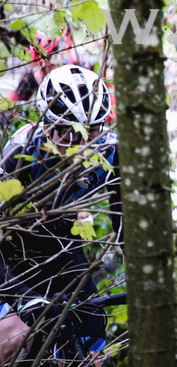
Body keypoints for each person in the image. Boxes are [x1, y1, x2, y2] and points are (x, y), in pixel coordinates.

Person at [0, 63, 119, 361]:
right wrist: (19, 299)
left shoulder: (110, 151)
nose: (80, 144)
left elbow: (125, 223)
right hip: (11, 252)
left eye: (90, 131)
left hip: (63, 246)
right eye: (67, 134)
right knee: (12, 338)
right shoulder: (22, 152)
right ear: (47, 125)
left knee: (92, 340)